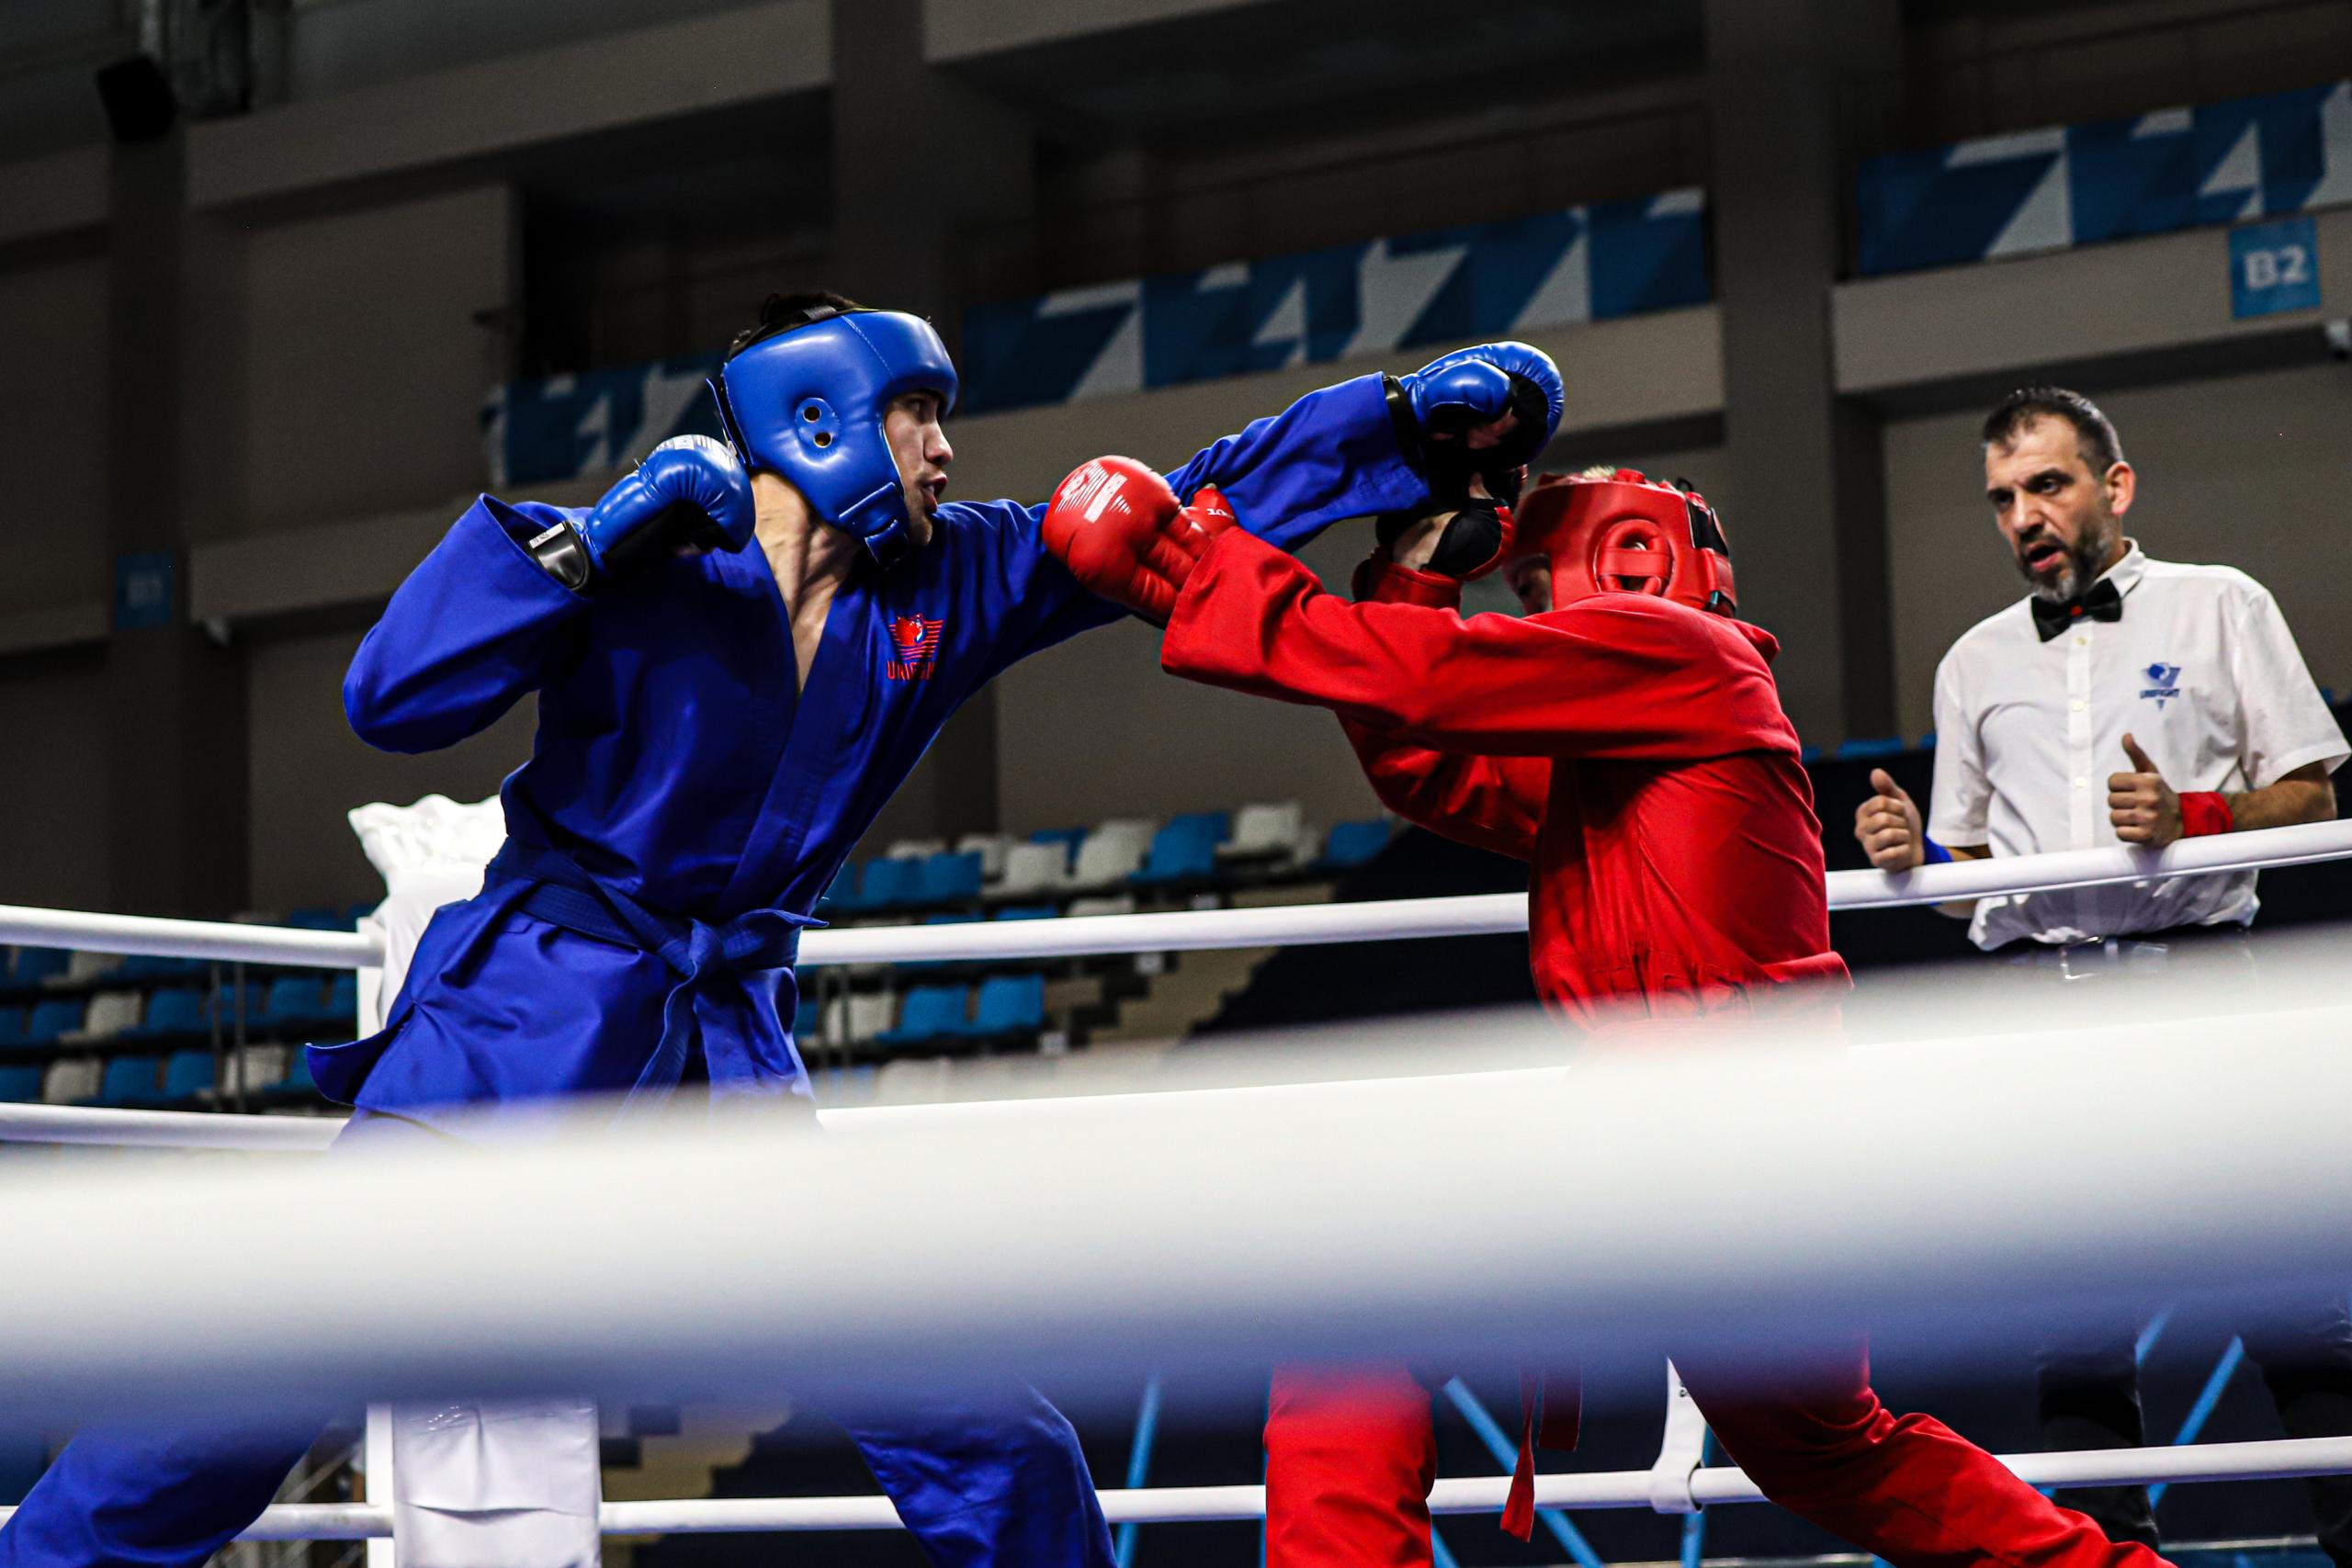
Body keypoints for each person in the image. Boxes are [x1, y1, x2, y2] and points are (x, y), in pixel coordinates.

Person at [0, 293, 1563, 1568]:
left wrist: (1395, 425)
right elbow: (389, 698)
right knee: (245, 1385)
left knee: (979, 1425)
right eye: (918, 413)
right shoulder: (636, 560)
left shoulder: (949, 577)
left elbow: (1172, 508)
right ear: (820, 417)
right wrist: (588, 541)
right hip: (515, 1035)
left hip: (726, 1064)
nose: (946, 446)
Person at [1037, 457, 2169, 1568]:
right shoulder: (1642, 735)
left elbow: (1428, 678)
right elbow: (1430, 763)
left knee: (1355, 1330)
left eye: (1534, 590)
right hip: (1754, 1130)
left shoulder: (1678, 650)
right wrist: (1409, 584)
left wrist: (1191, 562)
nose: (1528, 621)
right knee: (1829, 1451)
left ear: (1630, 560)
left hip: (1690, 1116)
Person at [1851, 386, 2352, 1562]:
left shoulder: (2220, 603)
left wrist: (2197, 815)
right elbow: (1967, 876)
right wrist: (1910, 858)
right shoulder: (1973, 660)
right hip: (2042, 1006)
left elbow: (2313, 794)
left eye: (2047, 485)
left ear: (2112, 486)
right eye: (2002, 498)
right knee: (2072, 1324)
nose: (2023, 516)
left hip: (2198, 987)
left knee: (2285, 1300)